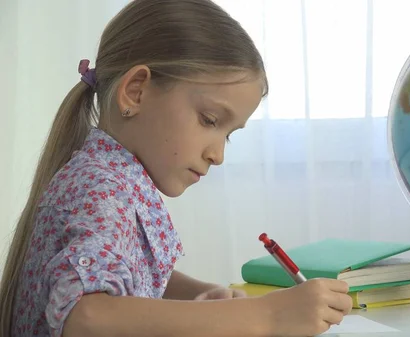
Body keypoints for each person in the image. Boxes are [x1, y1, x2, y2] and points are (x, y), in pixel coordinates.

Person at [0, 1, 353, 336]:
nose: (217, 155)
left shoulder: (116, 178)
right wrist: (269, 314)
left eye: (228, 136)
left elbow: (129, 273)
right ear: (136, 92)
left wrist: (202, 295)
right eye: (209, 120)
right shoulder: (100, 187)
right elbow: (87, 319)